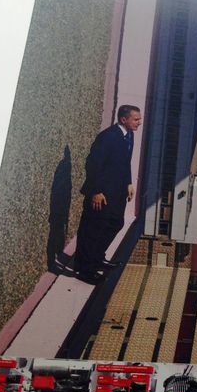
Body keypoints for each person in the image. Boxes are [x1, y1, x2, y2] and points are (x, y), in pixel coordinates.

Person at [74, 105, 141, 283]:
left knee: (115, 223)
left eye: (139, 119)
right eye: (136, 119)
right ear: (123, 119)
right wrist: (95, 191)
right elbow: (93, 164)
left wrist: (128, 182)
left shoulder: (129, 135)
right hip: (101, 192)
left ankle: (97, 258)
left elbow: (125, 162)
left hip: (117, 192)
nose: (139, 122)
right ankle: (85, 269)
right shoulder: (108, 137)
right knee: (93, 230)